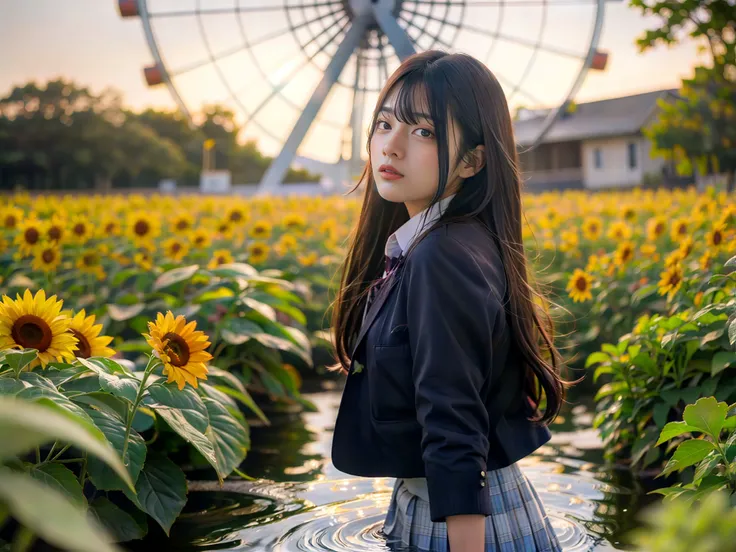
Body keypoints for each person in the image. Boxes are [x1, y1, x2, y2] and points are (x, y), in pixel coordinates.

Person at [329, 49, 575, 552]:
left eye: (424, 132)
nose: (390, 147)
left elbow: (453, 419)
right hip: (450, 505)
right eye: (384, 123)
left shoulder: (440, 255)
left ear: (472, 160)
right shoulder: (450, 241)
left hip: (459, 523)